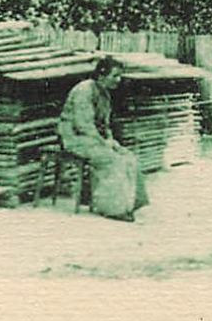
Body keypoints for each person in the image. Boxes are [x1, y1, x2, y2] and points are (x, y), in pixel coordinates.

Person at [57, 56, 149, 222]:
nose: (118, 80)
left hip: (93, 138)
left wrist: (111, 140)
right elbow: (83, 124)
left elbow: (104, 125)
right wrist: (104, 143)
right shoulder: (84, 90)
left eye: (120, 76)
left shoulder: (104, 94)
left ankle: (130, 204)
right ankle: (113, 209)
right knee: (111, 160)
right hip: (75, 138)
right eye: (115, 76)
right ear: (101, 75)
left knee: (128, 156)